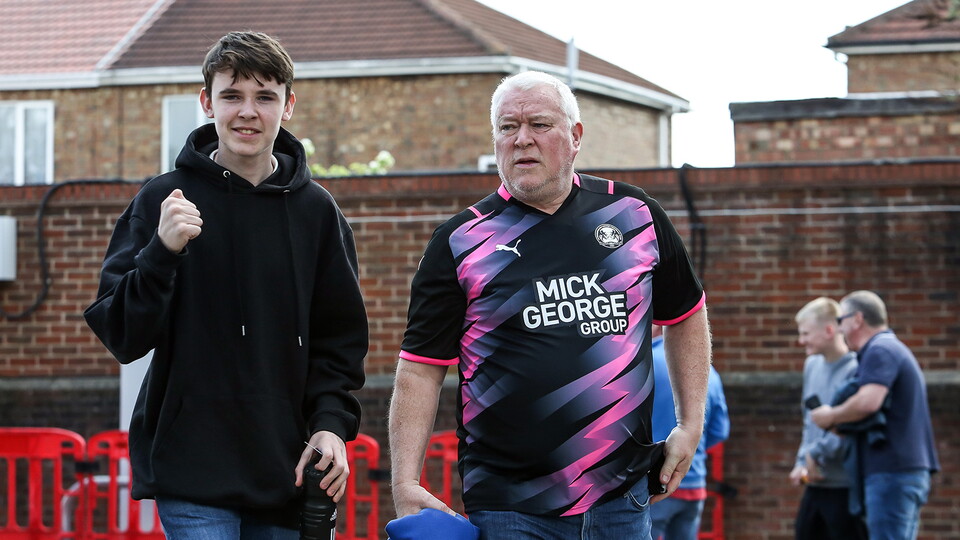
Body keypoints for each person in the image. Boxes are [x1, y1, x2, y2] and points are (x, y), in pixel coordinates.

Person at [388, 70, 711, 540]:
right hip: (508, 507)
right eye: (507, 127)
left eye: (539, 125)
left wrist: (691, 422)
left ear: (575, 136)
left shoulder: (633, 215)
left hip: (623, 500)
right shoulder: (461, 241)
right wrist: (403, 481)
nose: (522, 140)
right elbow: (420, 368)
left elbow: (685, 315)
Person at [83, 31, 368, 538]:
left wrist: (330, 423)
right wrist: (161, 254)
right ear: (206, 101)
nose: (247, 112)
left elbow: (339, 343)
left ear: (289, 105)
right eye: (232, 95)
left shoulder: (317, 213)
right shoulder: (161, 201)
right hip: (192, 470)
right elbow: (121, 334)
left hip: (288, 471)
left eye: (265, 97)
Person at [811, 290, 939, 540]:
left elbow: (869, 402)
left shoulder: (880, 349)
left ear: (857, 319)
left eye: (841, 321)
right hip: (899, 471)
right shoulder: (888, 348)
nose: (839, 329)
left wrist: (831, 416)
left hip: (892, 472)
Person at [789, 297, 866, 540]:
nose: (801, 341)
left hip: (843, 485)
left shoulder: (855, 369)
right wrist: (802, 461)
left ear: (830, 330)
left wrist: (815, 454)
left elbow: (848, 426)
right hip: (814, 483)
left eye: (806, 333)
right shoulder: (811, 365)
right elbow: (808, 420)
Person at [650, 325, 729, 540]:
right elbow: (719, 431)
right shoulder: (708, 371)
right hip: (694, 483)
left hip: (654, 485)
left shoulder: (643, 366)